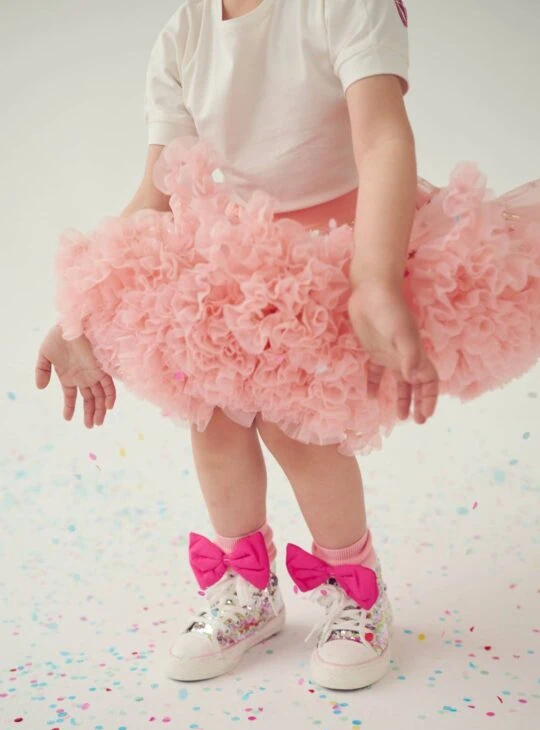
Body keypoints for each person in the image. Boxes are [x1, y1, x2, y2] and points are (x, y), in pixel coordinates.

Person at [35, 0, 540, 690]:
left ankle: (354, 591)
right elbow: (156, 189)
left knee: (301, 432)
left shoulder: (342, 7)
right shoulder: (185, 33)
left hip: (339, 253)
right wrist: (80, 312)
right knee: (212, 422)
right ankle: (247, 591)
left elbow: (383, 141)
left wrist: (374, 278)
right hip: (231, 255)